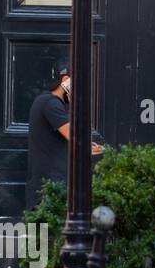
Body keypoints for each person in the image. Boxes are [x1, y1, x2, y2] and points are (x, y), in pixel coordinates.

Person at [26, 61, 104, 209]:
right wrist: (90, 147)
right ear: (65, 80)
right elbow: (74, 137)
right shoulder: (51, 103)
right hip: (50, 186)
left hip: (48, 184)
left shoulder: (46, 102)